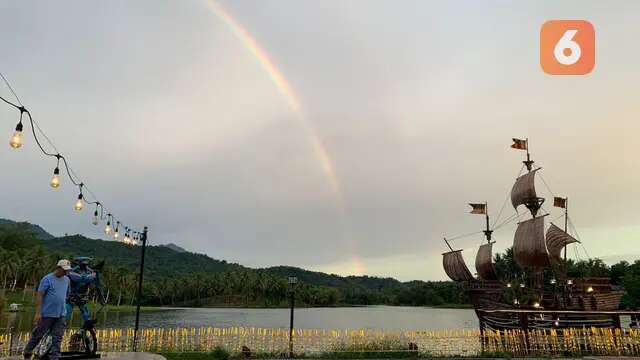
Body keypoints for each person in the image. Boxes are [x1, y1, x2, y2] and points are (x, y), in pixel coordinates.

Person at [23, 259, 72, 360]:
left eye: (67, 270)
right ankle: (27, 351)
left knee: (58, 337)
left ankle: (55, 357)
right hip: (47, 314)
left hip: (61, 314)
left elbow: (66, 295)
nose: (66, 272)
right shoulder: (47, 279)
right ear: (58, 268)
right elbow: (40, 295)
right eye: (64, 270)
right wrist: (38, 313)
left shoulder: (67, 280)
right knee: (38, 334)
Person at [65, 257, 99, 323]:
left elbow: (97, 284)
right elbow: (79, 278)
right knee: (66, 315)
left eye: (85, 264)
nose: (84, 265)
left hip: (82, 296)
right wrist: (89, 276)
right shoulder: (72, 271)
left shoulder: (90, 271)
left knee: (87, 317)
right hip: (72, 296)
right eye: (83, 263)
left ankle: (86, 329)